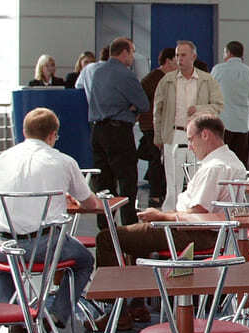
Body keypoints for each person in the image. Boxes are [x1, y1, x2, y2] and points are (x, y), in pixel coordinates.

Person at [0, 107, 103, 333]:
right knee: (84, 261)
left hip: (3, 245)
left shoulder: (4, 158)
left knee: (4, 264)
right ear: (52, 135)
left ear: (24, 132)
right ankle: (57, 312)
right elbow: (90, 204)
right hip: (43, 246)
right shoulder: (63, 161)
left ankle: (13, 318)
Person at [100, 113, 248, 269]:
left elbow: (198, 213)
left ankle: (113, 285)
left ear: (205, 135)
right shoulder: (232, 160)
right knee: (134, 239)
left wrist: (161, 216)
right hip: (210, 233)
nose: (190, 147)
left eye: (190, 139)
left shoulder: (215, 166)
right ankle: (142, 281)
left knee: (107, 237)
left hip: (195, 234)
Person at [153, 40, 224, 209]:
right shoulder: (167, 80)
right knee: (173, 180)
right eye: (177, 55)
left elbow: (218, 105)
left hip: (198, 135)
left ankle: (195, 212)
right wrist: (158, 136)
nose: (179, 59)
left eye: (183, 55)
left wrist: (199, 109)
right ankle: (170, 214)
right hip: (174, 133)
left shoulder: (207, 80)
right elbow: (158, 110)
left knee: (197, 176)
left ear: (194, 56)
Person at [81, 37, 146, 198]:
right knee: (127, 177)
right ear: (124, 52)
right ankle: (128, 214)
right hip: (118, 131)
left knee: (103, 180)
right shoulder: (126, 74)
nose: (133, 57)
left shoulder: (96, 72)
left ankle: (106, 213)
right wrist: (131, 108)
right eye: (132, 53)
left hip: (97, 130)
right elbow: (143, 104)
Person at [139, 45, 175, 207]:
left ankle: (159, 193)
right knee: (156, 160)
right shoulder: (155, 77)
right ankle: (155, 195)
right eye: (176, 59)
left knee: (160, 160)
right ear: (168, 61)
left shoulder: (165, 78)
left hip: (159, 125)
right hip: (152, 126)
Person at [211, 40, 249, 165]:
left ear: (228, 53)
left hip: (223, 122)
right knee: (240, 163)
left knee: (221, 162)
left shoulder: (218, 69)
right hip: (243, 123)